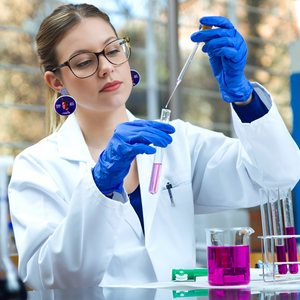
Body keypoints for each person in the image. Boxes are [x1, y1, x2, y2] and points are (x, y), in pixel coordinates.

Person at [8, 3, 300, 290]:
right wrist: (99, 185)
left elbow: (277, 176)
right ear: (57, 81)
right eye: (84, 62)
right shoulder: (38, 165)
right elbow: (45, 275)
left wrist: (244, 98)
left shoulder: (176, 142)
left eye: (112, 50)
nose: (107, 68)